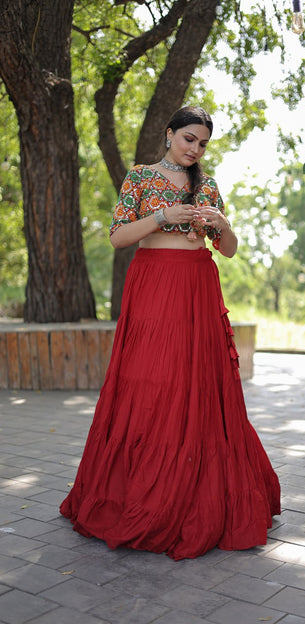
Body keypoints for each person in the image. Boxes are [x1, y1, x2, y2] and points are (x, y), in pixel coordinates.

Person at [60, 106, 281, 561]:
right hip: (155, 284)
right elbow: (119, 237)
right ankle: (141, 494)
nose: (195, 149)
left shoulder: (209, 185)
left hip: (198, 285)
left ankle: (197, 494)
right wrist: (163, 217)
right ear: (169, 134)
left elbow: (230, 251)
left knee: (199, 385)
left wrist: (221, 226)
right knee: (151, 381)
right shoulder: (140, 178)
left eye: (202, 143)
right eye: (189, 139)